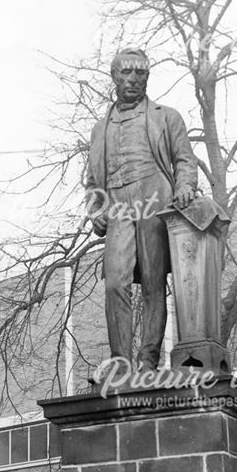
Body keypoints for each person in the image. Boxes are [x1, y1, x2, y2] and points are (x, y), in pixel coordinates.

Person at [85, 48, 198, 370]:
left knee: (152, 282)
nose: (133, 79)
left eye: (140, 74)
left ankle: (148, 359)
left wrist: (185, 186)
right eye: (126, 73)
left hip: (155, 199)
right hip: (119, 205)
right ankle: (119, 362)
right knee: (115, 283)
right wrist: (96, 209)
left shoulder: (167, 116)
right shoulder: (99, 128)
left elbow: (184, 160)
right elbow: (93, 179)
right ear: (114, 76)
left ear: (147, 77)